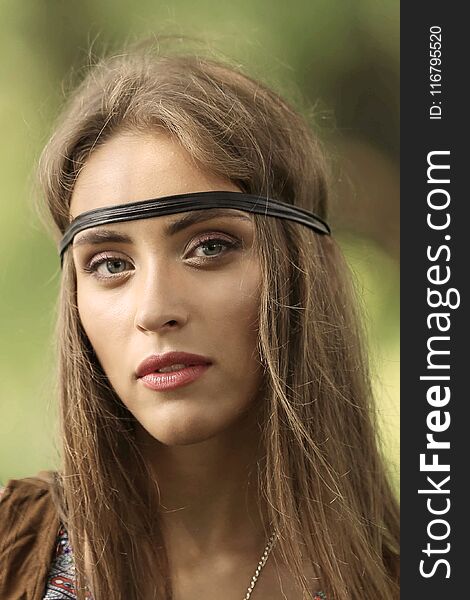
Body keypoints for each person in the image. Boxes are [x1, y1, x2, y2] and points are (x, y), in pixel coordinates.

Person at [0, 39, 399, 600]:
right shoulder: (14, 554)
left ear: (300, 270)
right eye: (111, 263)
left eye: (210, 247)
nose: (155, 310)